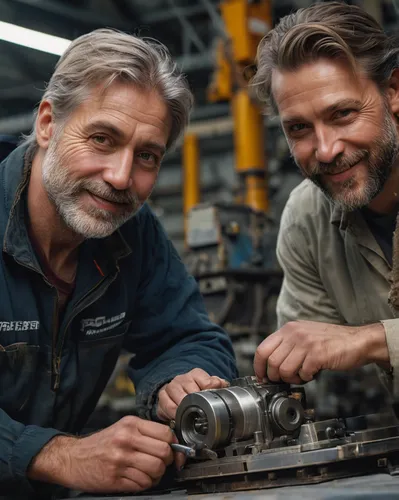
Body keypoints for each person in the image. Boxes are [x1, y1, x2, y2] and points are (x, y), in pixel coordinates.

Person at [0, 29, 237, 499]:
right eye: (102, 139)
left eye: (147, 155)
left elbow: (189, 336)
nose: (121, 176)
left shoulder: (131, 231)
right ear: (48, 123)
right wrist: (59, 455)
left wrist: (178, 380)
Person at [250, 2, 399, 413]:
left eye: (344, 114)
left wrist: (368, 340)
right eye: (298, 128)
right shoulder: (306, 219)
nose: (326, 150)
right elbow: (301, 359)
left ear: (393, 92)